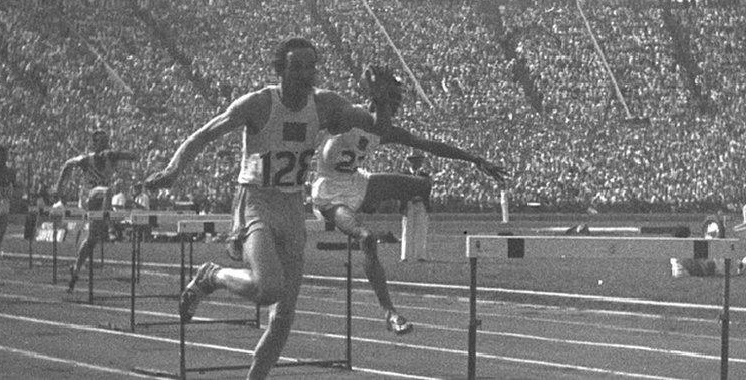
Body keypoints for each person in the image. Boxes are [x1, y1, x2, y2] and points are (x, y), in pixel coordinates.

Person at [144, 37, 397, 380]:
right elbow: (204, 135)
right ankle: (211, 275)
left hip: (293, 205)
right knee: (269, 288)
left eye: (311, 66)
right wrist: (174, 170)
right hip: (256, 201)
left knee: (283, 318)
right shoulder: (259, 104)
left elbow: (379, 128)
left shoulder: (324, 105)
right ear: (280, 71)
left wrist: (381, 99)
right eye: (297, 67)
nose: (306, 74)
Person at [310, 93, 507, 334]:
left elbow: (429, 146)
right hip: (329, 191)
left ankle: (382, 207)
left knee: (421, 185)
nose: (391, 116)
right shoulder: (350, 114)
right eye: (388, 109)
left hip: (357, 182)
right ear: (373, 104)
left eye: (394, 110)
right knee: (367, 238)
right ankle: (389, 312)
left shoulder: (387, 132)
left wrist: (474, 159)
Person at [54, 129, 137, 292]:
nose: (106, 144)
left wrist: (124, 154)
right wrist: (59, 186)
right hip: (87, 197)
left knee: (92, 239)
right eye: (102, 142)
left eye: (107, 141)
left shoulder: (111, 156)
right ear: (95, 144)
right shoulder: (86, 160)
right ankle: (111, 226)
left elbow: (132, 156)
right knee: (107, 190)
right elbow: (67, 165)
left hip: (100, 203)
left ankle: (76, 268)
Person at [400, 153, 431, 262]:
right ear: (411, 162)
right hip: (409, 203)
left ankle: (420, 255)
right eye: (415, 161)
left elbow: (427, 191)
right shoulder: (404, 175)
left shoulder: (424, 175)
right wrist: (403, 204)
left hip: (420, 203)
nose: (417, 163)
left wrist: (425, 203)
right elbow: (401, 191)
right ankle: (405, 256)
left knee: (421, 229)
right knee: (407, 229)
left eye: (419, 161)